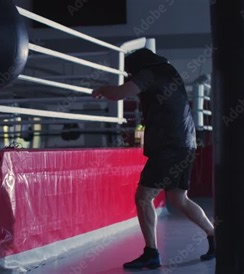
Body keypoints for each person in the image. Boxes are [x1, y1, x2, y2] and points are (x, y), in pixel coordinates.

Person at [92, 48, 215, 269]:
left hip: (169, 144)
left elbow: (121, 93)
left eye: (130, 72)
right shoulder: (169, 71)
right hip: (186, 142)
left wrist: (102, 89)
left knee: (143, 196)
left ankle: (151, 253)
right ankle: (215, 237)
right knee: (179, 199)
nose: (130, 75)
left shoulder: (149, 73)